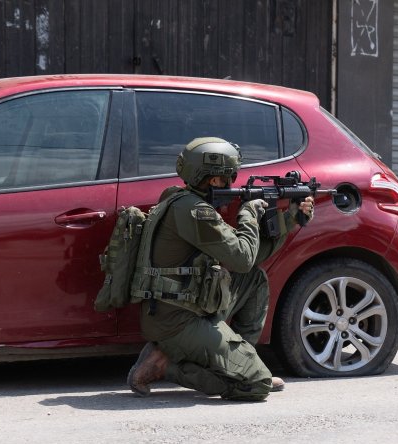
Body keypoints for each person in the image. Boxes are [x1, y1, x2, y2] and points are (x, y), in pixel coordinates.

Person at [127, 137, 314, 401]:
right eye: (229, 177)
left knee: (253, 279)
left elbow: (248, 260)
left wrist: (290, 219)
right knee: (257, 386)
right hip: (179, 321)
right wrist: (248, 213)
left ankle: (242, 364)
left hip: (187, 305)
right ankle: (164, 366)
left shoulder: (182, 200)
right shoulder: (195, 212)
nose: (232, 184)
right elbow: (242, 257)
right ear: (214, 180)